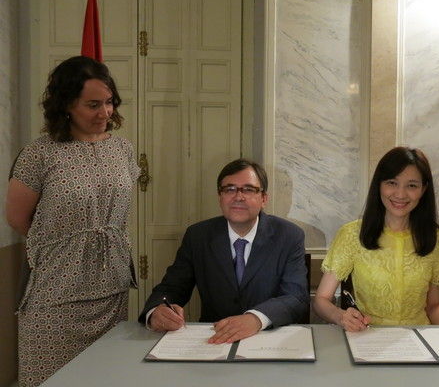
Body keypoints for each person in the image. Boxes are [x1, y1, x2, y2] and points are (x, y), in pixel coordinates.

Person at [6, 56, 139, 386]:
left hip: (111, 291)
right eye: (93, 105)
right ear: (66, 104)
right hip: (56, 295)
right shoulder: (40, 154)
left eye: (109, 102)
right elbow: (18, 218)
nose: (105, 113)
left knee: (106, 379)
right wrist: (68, 242)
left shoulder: (123, 149)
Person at [139, 159, 309, 343]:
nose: (238, 196)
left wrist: (256, 319)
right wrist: (155, 311)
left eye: (248, 189)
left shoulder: (289, 236)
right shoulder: (198, 236)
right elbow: (171, 288)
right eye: (229, 189)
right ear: (220, 196)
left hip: (268, 340)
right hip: (213, 340)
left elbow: (296, 297)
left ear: (264, 199)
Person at [314, 147, 439, 331]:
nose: (400, 194)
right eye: (392, 183)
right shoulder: (351, 234)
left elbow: (433, 306)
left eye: (412, 185)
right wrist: (340, 316)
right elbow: (321, 300)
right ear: (379, 185)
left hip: (419, 338)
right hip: (367, 337)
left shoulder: (435, 238)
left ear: (423, 189)